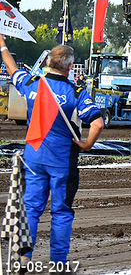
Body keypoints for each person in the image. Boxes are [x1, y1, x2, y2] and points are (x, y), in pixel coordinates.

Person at [0, 35, 103, 272]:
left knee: (31, 207)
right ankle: (58, 262)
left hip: (34, 156)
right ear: (69, 67)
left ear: (47, 63)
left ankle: (23, 257)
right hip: (62, 161)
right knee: (61, 211)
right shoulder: (75, 92)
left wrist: (3, 45)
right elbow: (97, 124)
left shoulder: (32, 83)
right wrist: (87, 144)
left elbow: (12, 68)